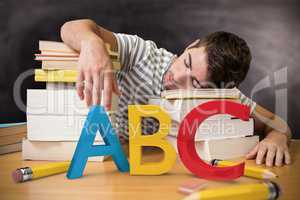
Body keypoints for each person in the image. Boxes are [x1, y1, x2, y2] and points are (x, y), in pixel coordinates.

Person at [60, 19, 292, 167]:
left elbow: (276, 123)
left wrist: (277, 138)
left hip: (166, 173)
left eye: (195, 83)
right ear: (191, 45)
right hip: (108, 162)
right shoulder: (142, 55)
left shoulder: (223, 96)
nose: (178, 76)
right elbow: (72, 27)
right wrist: (92, 43)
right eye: (187, 62)